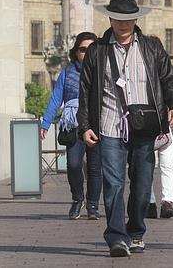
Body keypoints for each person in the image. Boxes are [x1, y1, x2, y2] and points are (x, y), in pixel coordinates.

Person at [77, 0, 173, 257]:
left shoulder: (152, 47)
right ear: (111, 18)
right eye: (118, 18)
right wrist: (85, 126)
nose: (123, 24)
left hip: (145, 127)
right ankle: (116, 237)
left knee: (142, 183)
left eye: (128, 18)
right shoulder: (97, 50)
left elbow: (169, 81)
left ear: (136, 18)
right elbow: (86, 89)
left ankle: (135, 231)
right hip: (109, 125)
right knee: (113, 183)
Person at [40, 32, 101, 220]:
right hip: (73, 122)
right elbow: (56, 98)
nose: (87, 53)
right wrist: (46, 122)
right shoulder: (67, 72)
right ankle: (77, 199)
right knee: (74, 164)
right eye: (83, 49)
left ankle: (92, 205)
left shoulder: (102, 71)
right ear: (76, 52)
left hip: (96, 121)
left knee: (95, 167)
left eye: (92, 49)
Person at [146, 128, 173, 219]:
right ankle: (149, 203)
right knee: (146, 168)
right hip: (145, 126)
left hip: (169, 127)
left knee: (168, 166)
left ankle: (167, 202)